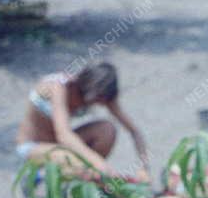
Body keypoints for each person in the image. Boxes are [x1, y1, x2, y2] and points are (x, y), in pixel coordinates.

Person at [15, 62, 149, 181]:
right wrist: (99, 164)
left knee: (107, 130)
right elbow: (64, 135)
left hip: (58, 144)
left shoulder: (104, 96)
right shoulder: (58, 87)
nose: (97, 103)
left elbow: (134, 131)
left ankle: (86, 177)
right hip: (32, 146)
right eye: (96, 98)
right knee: (80, 164)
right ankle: (41, 175)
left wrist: (143, 168)